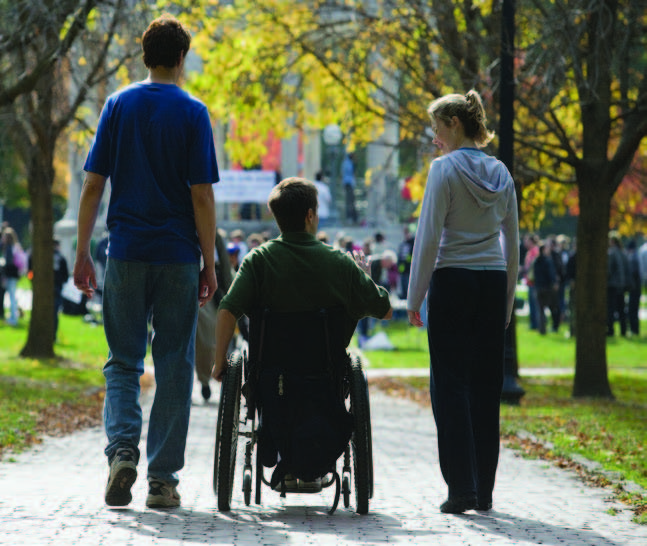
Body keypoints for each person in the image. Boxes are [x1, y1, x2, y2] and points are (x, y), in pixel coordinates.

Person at [72, 14, 219, 510]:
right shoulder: (194, 112)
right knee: (174, 364)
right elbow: (201, 195)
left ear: (144, 54)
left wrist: (83, 252)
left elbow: (93, 184)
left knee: (122, 362)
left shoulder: (117, 105)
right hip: (178, 257)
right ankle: (161, 480)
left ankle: (121, 452)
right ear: (181, 58)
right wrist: (211, 262)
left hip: (127, 252)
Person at [406, 90, 519, 514]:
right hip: (491, 283)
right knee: (486, 386)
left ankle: (461, 488)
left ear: (454, 122)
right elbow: (513, 245)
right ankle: (485, 489)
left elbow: (429, 237)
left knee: (449, 384)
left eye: (437, 128)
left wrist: (415, 297)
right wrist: (506, 303)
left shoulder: (444, 171)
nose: (435, 138)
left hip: (452, 279)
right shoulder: (502, 174)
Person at [211, 177, 393, 383]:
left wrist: (220, 362)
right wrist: (364, 278)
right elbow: (385, 310)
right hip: (326, 377)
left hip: (271, 378)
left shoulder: (258, 260)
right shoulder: (341, 262)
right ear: (310, 215)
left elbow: (227, 310)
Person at [195, 230, 233, 401]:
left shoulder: (215, 234)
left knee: (205, 339)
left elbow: (224, 265)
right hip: (190, 281)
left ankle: (204, 379)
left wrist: (229, 291)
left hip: (206, 289)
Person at [1, 227, 26, 326]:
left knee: (11, 296)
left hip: (10, 275)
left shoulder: (9, 248)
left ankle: (13, 318)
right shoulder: (15, 247)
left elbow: (9, 263)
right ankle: (14, 316)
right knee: (12, 296)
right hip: (14, 274)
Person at [52, 240, 69, 341]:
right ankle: (53, 336)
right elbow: (65, 276)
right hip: (57, 287)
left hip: (46, 289)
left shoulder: (43, 257)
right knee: (54, 312)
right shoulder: (61, 258)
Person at [341, 152, 358, 225]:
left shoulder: (345, 163)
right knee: (350, 202)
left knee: (349, 202)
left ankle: (351, 218)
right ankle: (351, 218)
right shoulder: (349, 163)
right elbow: (352, 172)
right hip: (349, 184)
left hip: (346, 183)